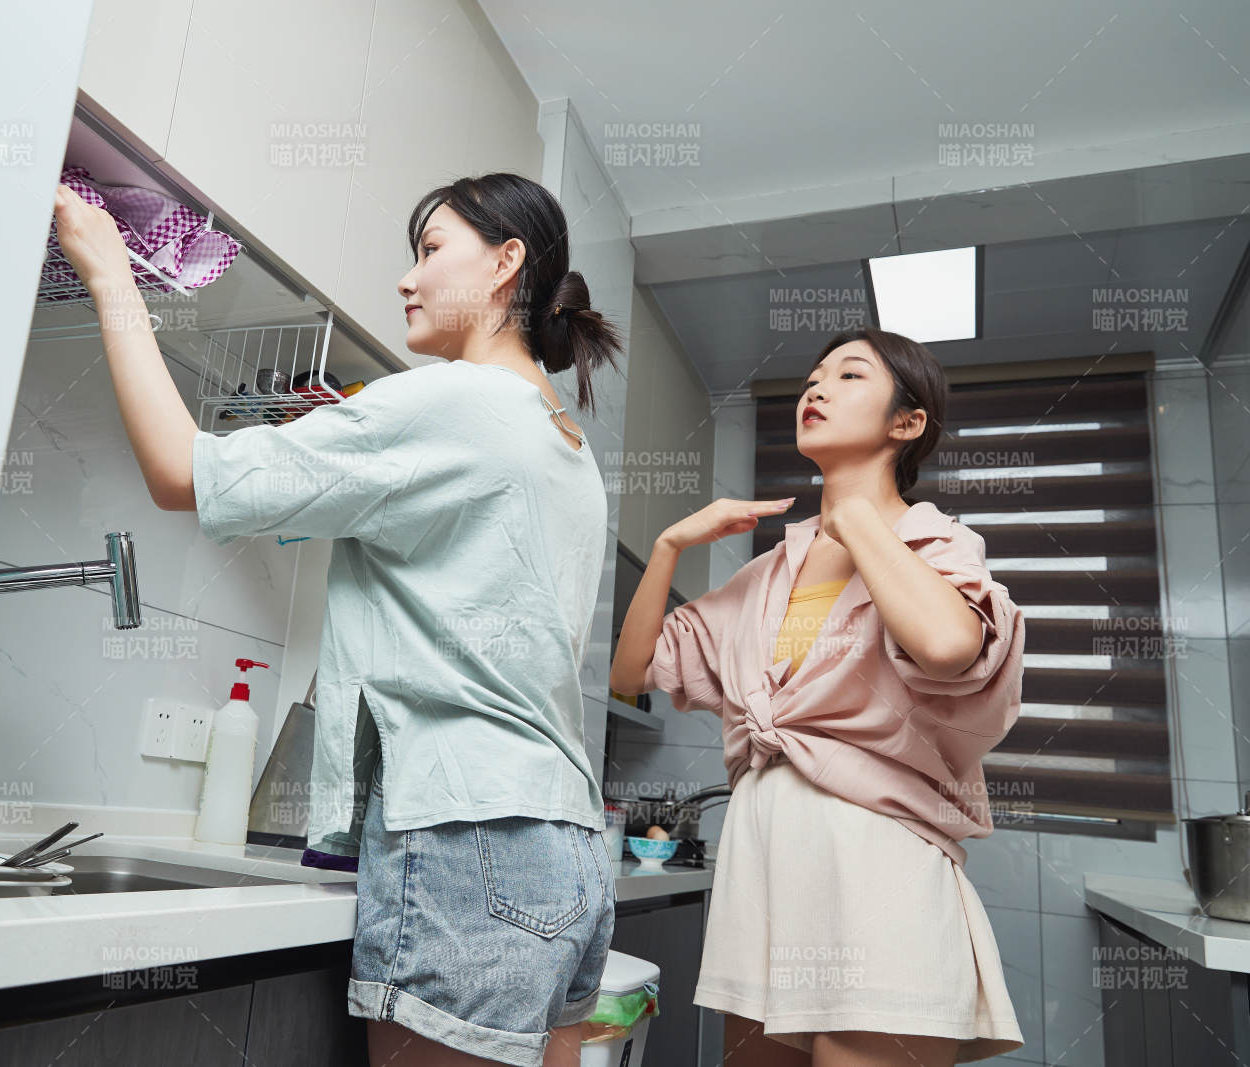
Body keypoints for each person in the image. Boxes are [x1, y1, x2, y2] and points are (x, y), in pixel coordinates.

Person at [53, 171, 625, 1067]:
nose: (407, 277)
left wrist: (107, 271)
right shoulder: (560, 434)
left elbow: (178, 469)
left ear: (508, 262)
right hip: (565, 846)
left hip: (464, 837)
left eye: (432, 250)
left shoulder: (451, 401)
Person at [610, 327, 1027, 1067]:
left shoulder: (934, 544)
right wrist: (672, 543)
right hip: (764, 878)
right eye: (810, 379)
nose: (817, 389)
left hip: (876, 879)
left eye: (849, 375)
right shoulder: (771, 571)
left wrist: (855, 514)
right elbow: (630, 672)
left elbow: (949, 645)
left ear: (907, 423)